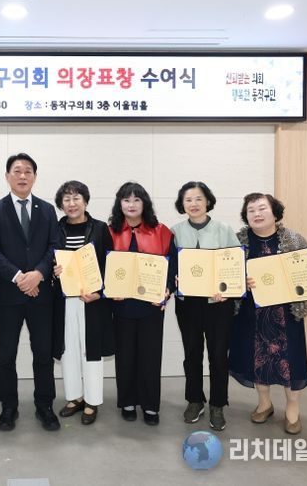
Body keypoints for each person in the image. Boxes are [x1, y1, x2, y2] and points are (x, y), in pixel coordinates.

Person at [229, 193, 307, 435]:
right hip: (251, 313)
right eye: (251, 210)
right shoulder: (238, 241)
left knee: (292, 362)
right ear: (246, 216)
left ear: (275, 212)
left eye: (262, 208)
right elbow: (228, 274)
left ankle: (292, 408)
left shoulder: (293, 238)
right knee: (257, 359)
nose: (257, 214)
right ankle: (264, 404)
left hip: (286, 314)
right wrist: (240, 281)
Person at [0, 153, 61, 432]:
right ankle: (8, 407)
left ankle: (45, 406)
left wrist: (38, 273)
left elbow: (54, 245)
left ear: (35, 177)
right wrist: (19, 277)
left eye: (28, 171)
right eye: (17, 171)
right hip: (9, 295)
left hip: (41, 295)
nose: (22, 176)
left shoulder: (47, 210)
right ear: (7, 176)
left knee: (43, 353)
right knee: (6, 354)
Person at [170, 181, 239, 431]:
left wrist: (227, 290)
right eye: (188, 199)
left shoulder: (224, 229)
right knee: (192, 353)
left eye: (199, 198)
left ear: (208, 201)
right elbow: (169, 266)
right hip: (187, 304)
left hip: (218, 304)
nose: (194, 204)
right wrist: (174, 278)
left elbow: (235, 265)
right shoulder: (174, 232)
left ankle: (218, 404)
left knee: (218, 355)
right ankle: (195, 400)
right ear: (182, 204)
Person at [108, 181, 175, 426]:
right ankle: (127, 401)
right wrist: (109, 290)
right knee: (125, 355)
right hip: (122, 304)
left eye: (137, 199)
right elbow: (102, 267)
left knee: (150, 356)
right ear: (120, 204)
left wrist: (168, 290)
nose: (131, 204)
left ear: (144, 203)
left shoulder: (162, 231)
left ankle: (150, 405)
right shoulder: (110, 232)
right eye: (126, 200)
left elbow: (173, 266)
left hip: (151, 306)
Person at [51, 181, 113, 425]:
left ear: (85, 201)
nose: (72, 203)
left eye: (76, 198)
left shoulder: (100, 228)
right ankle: (75, 397)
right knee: (68, 349)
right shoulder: (55, 229)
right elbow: (47, 258)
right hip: (64, 300)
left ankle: (92, 400)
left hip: (92, 300)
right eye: (66, 199)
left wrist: (100, 292)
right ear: (61, 204)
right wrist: (53, 270)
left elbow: (109, 263)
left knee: (91, 349)